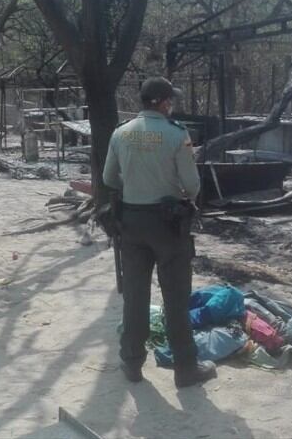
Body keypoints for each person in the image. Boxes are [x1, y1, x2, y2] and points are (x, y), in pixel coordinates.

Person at [102, 76, 217, 388]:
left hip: (131, 223)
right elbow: (192, 186)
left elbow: (109, 178)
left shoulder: (120, 133)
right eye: (171, 100)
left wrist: (135, 184)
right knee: (176, 298)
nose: (172, 105)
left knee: (135, 296)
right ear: (164, 103)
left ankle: (132, 362)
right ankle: (185, 368)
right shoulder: (176, 134)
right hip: (168, 225)